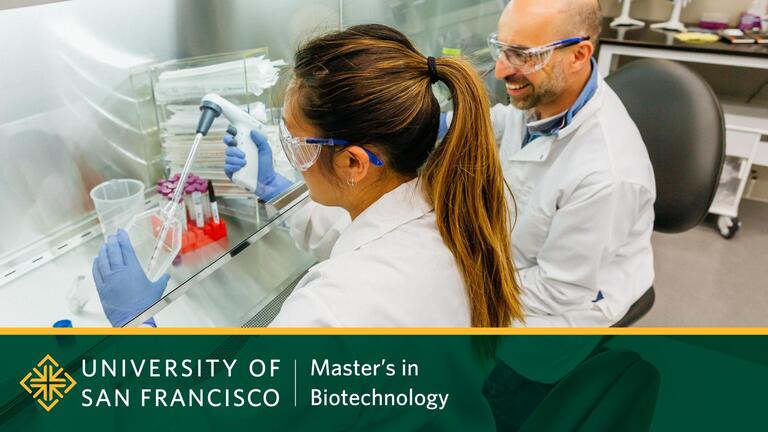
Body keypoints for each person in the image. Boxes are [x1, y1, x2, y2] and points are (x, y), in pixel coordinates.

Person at [92, 24, 524, 328]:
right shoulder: (447, 205)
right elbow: (359, 238)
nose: (288, 153)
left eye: (296, 144)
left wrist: (135, 325)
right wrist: (276, 192)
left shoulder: (331, 309)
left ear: (354, 163)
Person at [284, 0, 656, 328]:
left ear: (578, 55)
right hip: (501, 266)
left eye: (523, 55)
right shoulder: (540, 104)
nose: (500, 70)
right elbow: (495, 127)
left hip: (557, 314)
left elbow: (559, 293)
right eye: (501, 48)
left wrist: (456, 277)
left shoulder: (609, 174)